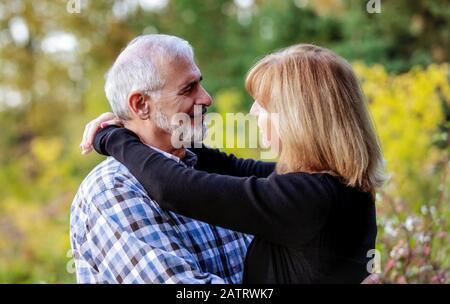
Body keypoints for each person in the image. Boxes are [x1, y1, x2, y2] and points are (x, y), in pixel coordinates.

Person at [83, 43, 386, 284]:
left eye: (265, 105)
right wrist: (156, 133)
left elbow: (175, 188)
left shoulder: (308, 197)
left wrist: (113, 139)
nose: (253, 113)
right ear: (140, 104)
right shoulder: (335, 182)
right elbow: (231, 166)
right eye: (188, 89)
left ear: (301, 120)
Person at [71, 34, 253, 284]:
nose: (207, 98)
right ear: (141, 104)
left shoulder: (203, 167)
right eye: (188, 89)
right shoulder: (113, 190)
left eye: (200, 84)